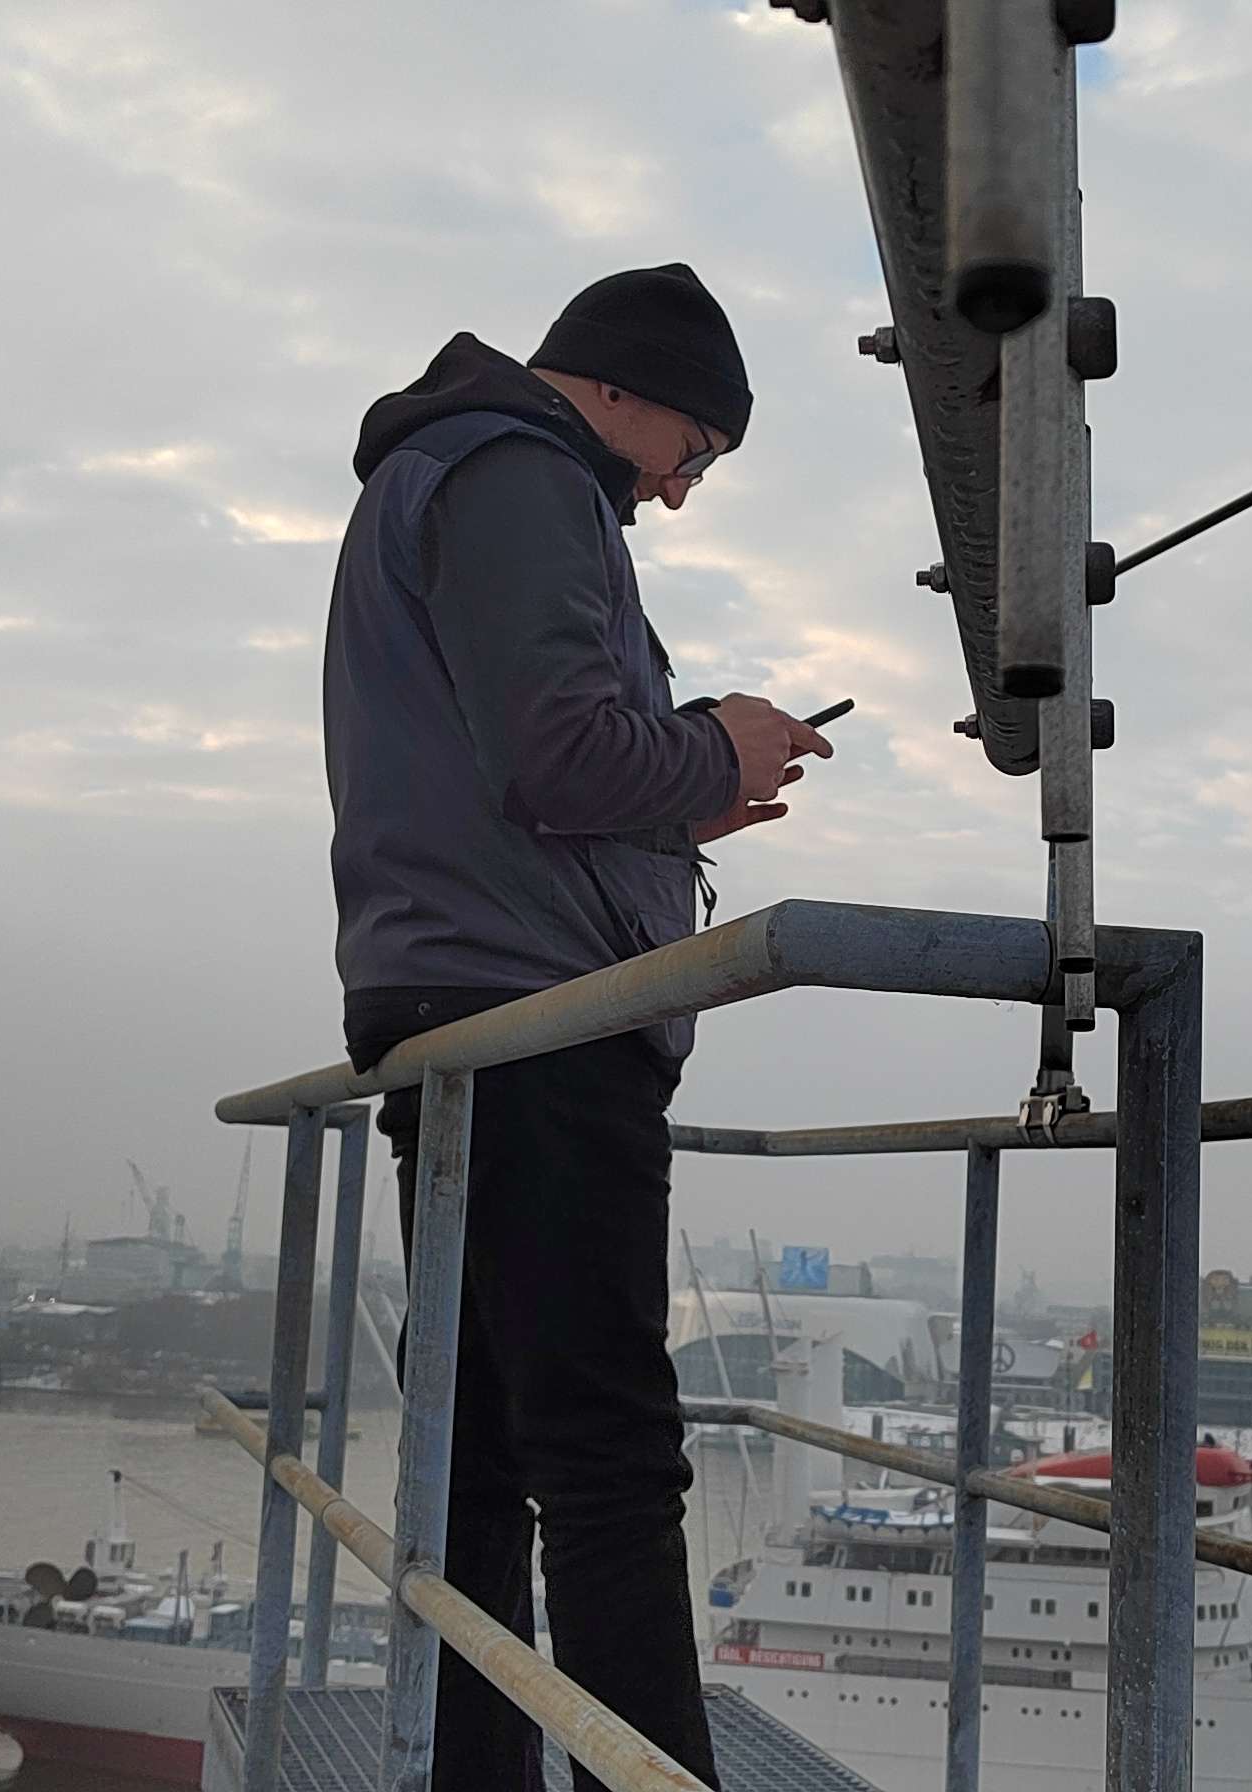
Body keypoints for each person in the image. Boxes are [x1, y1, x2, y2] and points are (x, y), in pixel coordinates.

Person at [319, 263, 828, 1792]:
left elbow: (525, 764)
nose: (679, 491)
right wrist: (709, 749)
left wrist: (684, 791)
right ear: (626, 386)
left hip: (459, 1008)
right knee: (608, 1460)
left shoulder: (456, 469)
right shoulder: (527, 475)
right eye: (697, 451)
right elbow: (558, 754)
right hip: (540, 1022)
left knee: (479, 1458)